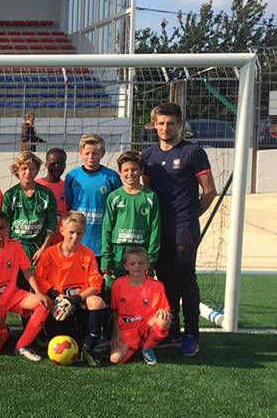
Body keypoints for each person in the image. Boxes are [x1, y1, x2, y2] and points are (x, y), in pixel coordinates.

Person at [142, 102, 216, 356]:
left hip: (184, 227)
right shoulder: (148, 155)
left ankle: (192, 334)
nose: (165, 127)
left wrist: (190, 217)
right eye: (161, 123)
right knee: (165, 281)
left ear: (180, 125)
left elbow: (209, 191)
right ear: (154, 125)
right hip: (158, 227)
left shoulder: (193, 152)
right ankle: (171, 331)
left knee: (186, 280)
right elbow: (148, 191)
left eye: (171, 123)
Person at [0, 210, 51, 361]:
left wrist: (39, 293)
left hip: (12, 296)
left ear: (8, 228)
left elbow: (28, 272)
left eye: (2, 228)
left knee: (44, 304)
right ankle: (4, 332)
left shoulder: (16, 247)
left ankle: (22, 345)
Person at [34, 211, 108, 367]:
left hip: (78, 302)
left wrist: (74, 300)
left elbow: (96, 284)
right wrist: (56, 297)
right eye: (71, 232)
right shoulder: (50, 254)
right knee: (63, 338)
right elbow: (39, 279)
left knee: (97, 302)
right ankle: (51, 335)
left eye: (79, 233)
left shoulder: (87, 254)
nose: (75, 237)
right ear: (62, 231)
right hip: (59, 304)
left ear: (85, 233)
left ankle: (89, 349)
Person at [101, 151, 161, 290]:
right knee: (115, 291)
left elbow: (155, 228)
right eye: (126, 170)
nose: (130, 173)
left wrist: (151, 258)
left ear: (141, 171)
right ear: (120, 172)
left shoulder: (150, 196)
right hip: (118, 251)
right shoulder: (114, 197)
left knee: (140, 292)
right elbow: (107, 228)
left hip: (141, 250)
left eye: (134, 169)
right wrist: (106, 258)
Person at [109, 247, 171, 365]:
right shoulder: (118, 284)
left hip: (148, 325)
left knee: (165, 319)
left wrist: (163, 312)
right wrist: (116, 332)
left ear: (147, 265)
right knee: (115, 359)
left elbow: (164, 309)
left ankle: (147, 347)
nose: (136, 266)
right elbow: (115, 311)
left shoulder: (157, 286)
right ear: (126, 266)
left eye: (141, 263)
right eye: (132, 263)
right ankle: (135, 345)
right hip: (128, 328)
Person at [64, 133, 121, 260]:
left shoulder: (111, 177)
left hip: (102, 242)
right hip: (78, 241)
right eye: (87, 153)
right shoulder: (73, 176)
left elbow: (118, 206)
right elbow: (70, 203)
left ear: (102, 154)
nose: (91, 157)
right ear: (81, 153)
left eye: (95, 153)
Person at [1, 151, 57, 263]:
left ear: (37, 171)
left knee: (37, 279)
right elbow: (4, 224)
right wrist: (8, 249)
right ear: (17, 170)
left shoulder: (46, 194)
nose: (28, 172)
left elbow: (52, 224)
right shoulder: (10, 195)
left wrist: (43, 248)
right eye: (24, 168)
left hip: (38, 248)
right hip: (16, 246)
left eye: (32, 168)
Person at [35, 147, 69, 246]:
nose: (56, 167)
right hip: (39, 242)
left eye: (60, 164)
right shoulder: (36, 185)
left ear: (65, 166)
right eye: (53, 164)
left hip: (60, 241)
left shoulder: (67, 187)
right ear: (46, 164)